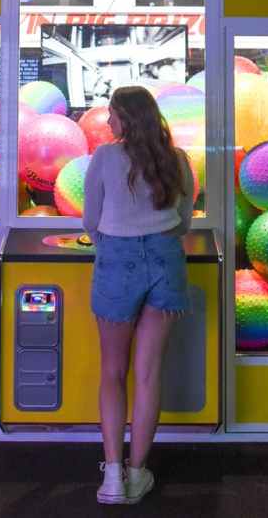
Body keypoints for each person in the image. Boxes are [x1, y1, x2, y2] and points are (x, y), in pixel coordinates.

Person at [82, 85, 195, 505]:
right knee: (148, 374)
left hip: (116, 260)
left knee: (113, 371)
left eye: (111, 113)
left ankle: (112, 476)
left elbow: (90, 220)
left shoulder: (104, 157)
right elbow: (183, 222)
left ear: (126, 117)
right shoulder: (177, 159)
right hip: (166, 260)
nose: (108, 120)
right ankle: (137, 472)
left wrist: (114, 245)